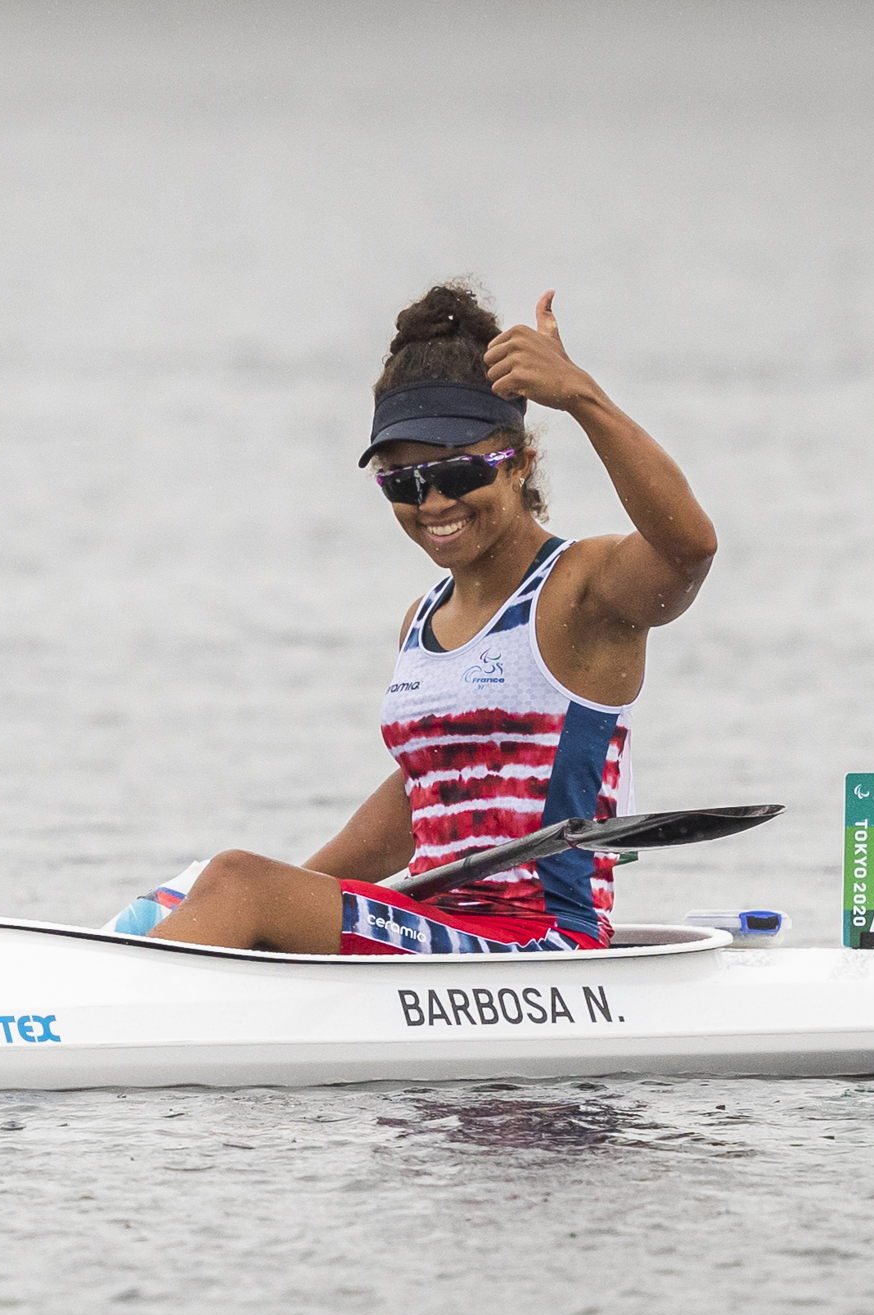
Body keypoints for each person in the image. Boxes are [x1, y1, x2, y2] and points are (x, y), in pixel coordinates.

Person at [134, 281, 717, 955]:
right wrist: (284, 895)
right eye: (404, 482)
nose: (433, 501)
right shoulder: (424, 618)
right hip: (436, 933)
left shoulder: (582, 592)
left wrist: (581, 397)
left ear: (520, 462)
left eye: (459, 473)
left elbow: (689, 548)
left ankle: (88, 1033)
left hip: (539, 944)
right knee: (190, 889)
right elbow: (426, 796)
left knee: (235, 881)